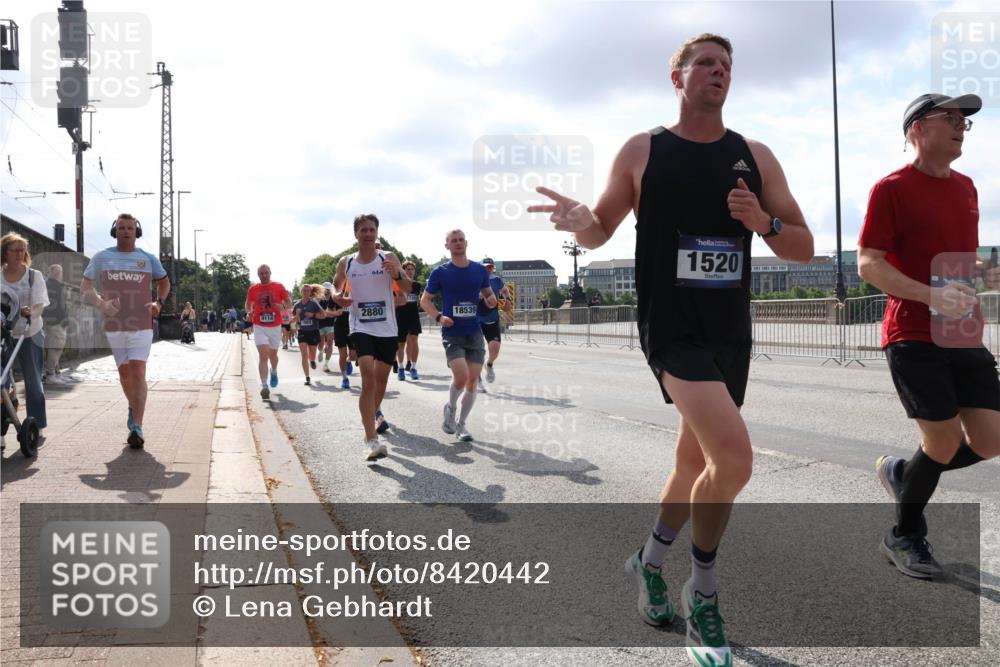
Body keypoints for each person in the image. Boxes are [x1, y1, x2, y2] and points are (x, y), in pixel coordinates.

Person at [529, 34, 813, 665]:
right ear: (677, 77)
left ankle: (649, 561)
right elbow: (601, 230)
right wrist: (583, 221)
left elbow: (805, 246)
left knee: (694, 466)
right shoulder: (643, 149)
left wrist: (761, 223)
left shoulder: (755, 157)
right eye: (705, 64)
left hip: (728, 333)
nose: (719, 72)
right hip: (671, 329)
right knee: (734, 462)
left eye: (727, 65)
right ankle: (703, 594)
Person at [858, 93, 1000, 580]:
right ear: (918, 128)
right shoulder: (891, 187)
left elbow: (955, 257)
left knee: (991, 440)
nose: (962, 126)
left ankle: (904, 474)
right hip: (914, 333)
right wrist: (930, 296)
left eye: (966, 121)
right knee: (940, 441)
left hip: (964, 331)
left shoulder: (967, 188)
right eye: (952, 118)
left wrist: (985, 271)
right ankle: (903, 535)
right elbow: (868, 263)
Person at [81, 214, 170, 448]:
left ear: (137, 232)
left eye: (130, 228)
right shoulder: (102, 257)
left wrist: (157, 304)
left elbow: (164, 282)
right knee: (124, 375)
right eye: (121, 228)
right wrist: (102, 304)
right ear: (115, 231)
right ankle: (133, 407)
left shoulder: (148, 259)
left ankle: (137, 427)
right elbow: (86, 287)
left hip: (141, 322)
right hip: (115, 324)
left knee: (138, 371)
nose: (126, 231)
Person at [333, 214, 410, 461]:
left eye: (372, 230)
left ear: (377, 232)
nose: (368, 234)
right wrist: (337, 296)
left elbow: (408, 289)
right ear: (356, 234)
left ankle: (373, 413)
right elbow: (335, 286)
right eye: (363, 230)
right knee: (367, 378)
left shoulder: (387, 257)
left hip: (387, 328)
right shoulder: (346, 262)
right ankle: (370, 439)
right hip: (360, 326)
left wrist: (397, 273)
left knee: (380, 381)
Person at [420, 229, 496, 443]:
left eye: (461, 239)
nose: (458, 243)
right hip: (452, 332)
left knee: (472, 381)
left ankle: (462, 425)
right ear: (447, 246)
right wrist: (438, 317)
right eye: (453, 241)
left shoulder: (480, 270)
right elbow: (425, 300)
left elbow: (488, 294)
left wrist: (491, 300)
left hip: (474, 331)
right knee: (461, 377)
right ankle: (450, 407)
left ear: (466, 243)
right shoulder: (440, 272)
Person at [1, 233, 49, 432]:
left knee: (33, 382)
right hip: (5, 334)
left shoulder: (33, 275)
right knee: (3, 380)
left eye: (23, 250)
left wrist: (32, 313)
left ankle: (36, 424)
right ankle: (5, 417)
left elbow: (40, 305)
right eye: (15, 250)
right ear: (5, 253)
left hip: (30, 333)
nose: (20, 254)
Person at [246, 265, 292, 399]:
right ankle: (264, 385)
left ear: (270, 273)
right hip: (259, 325)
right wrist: (249, 311)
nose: (264, 275)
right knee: (263, 356)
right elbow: (248, 303)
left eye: (266, 273)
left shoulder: (278, 286)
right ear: (258, 275)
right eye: (261, 273)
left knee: (273, 356)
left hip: (275, 326)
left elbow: (289, 303)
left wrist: (282, 306)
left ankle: (274, 371)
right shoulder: (253, 289)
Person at [477, 258, 511, 384]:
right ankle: (477, 376)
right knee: (478, 350)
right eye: (485, 267)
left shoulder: (496, 280)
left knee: (495, 349)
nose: (488, 269)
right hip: (478, 321)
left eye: (490, 267)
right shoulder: (475, 281)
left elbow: (505, 290)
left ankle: (489, 364)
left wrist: (508, 300)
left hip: (493, 320)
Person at [394, 261, 423, 380]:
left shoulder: (417, 285)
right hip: (401, 316)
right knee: (401, 344)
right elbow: (394, 302)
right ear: (403, 270)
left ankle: (413, 368)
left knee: (414, 339)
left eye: (412, 269)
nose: (410, 271)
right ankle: (400, 368)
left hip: (413, 316)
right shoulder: (397, 284)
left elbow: (417, 300)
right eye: (408, 269)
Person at [292, 285, 324, 385]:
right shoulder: (297, 305)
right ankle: (307, 377)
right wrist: (297, 315)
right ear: (301, 292)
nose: (306, 292)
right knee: (304, 354)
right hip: (302, 331)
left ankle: (313, 360)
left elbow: (323, 315)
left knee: (312, 352)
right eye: (304, 290)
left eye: (307, 290)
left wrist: (313, 315)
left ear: (310, 292)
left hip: (313, 331)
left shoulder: (313, 303)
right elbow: (293, 320)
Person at [43, 263, 69, 383]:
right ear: (57, 273)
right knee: (56, 347)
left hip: (49, 321)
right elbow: (60, 307)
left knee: (52, 348)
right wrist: (64, 320)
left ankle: (56, 373)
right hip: (56, 323)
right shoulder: (56, 286)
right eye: (61, 272)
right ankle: (51, 375)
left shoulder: (47, 284)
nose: (62, 275)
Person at [333, 288, 356, 390]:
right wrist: (336, 313)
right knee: (342, 354)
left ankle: (348, 361)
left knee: (354, 356)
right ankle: (344, 378)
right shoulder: (337, 294)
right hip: (340, 327)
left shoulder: (356, 291)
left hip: (353, 326)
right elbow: (328, 311)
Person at [317, 282, 339, 373]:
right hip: (320, 325)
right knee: (321, 344)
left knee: (330, 343)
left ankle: (326, 364)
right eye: (325, 289)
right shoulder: (319, 299)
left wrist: (331, 314)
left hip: (330, 325)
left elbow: (336, 312)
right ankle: (321, 351)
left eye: (328, 289)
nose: (327, 291)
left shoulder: (333, 299)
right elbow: (318, 312)